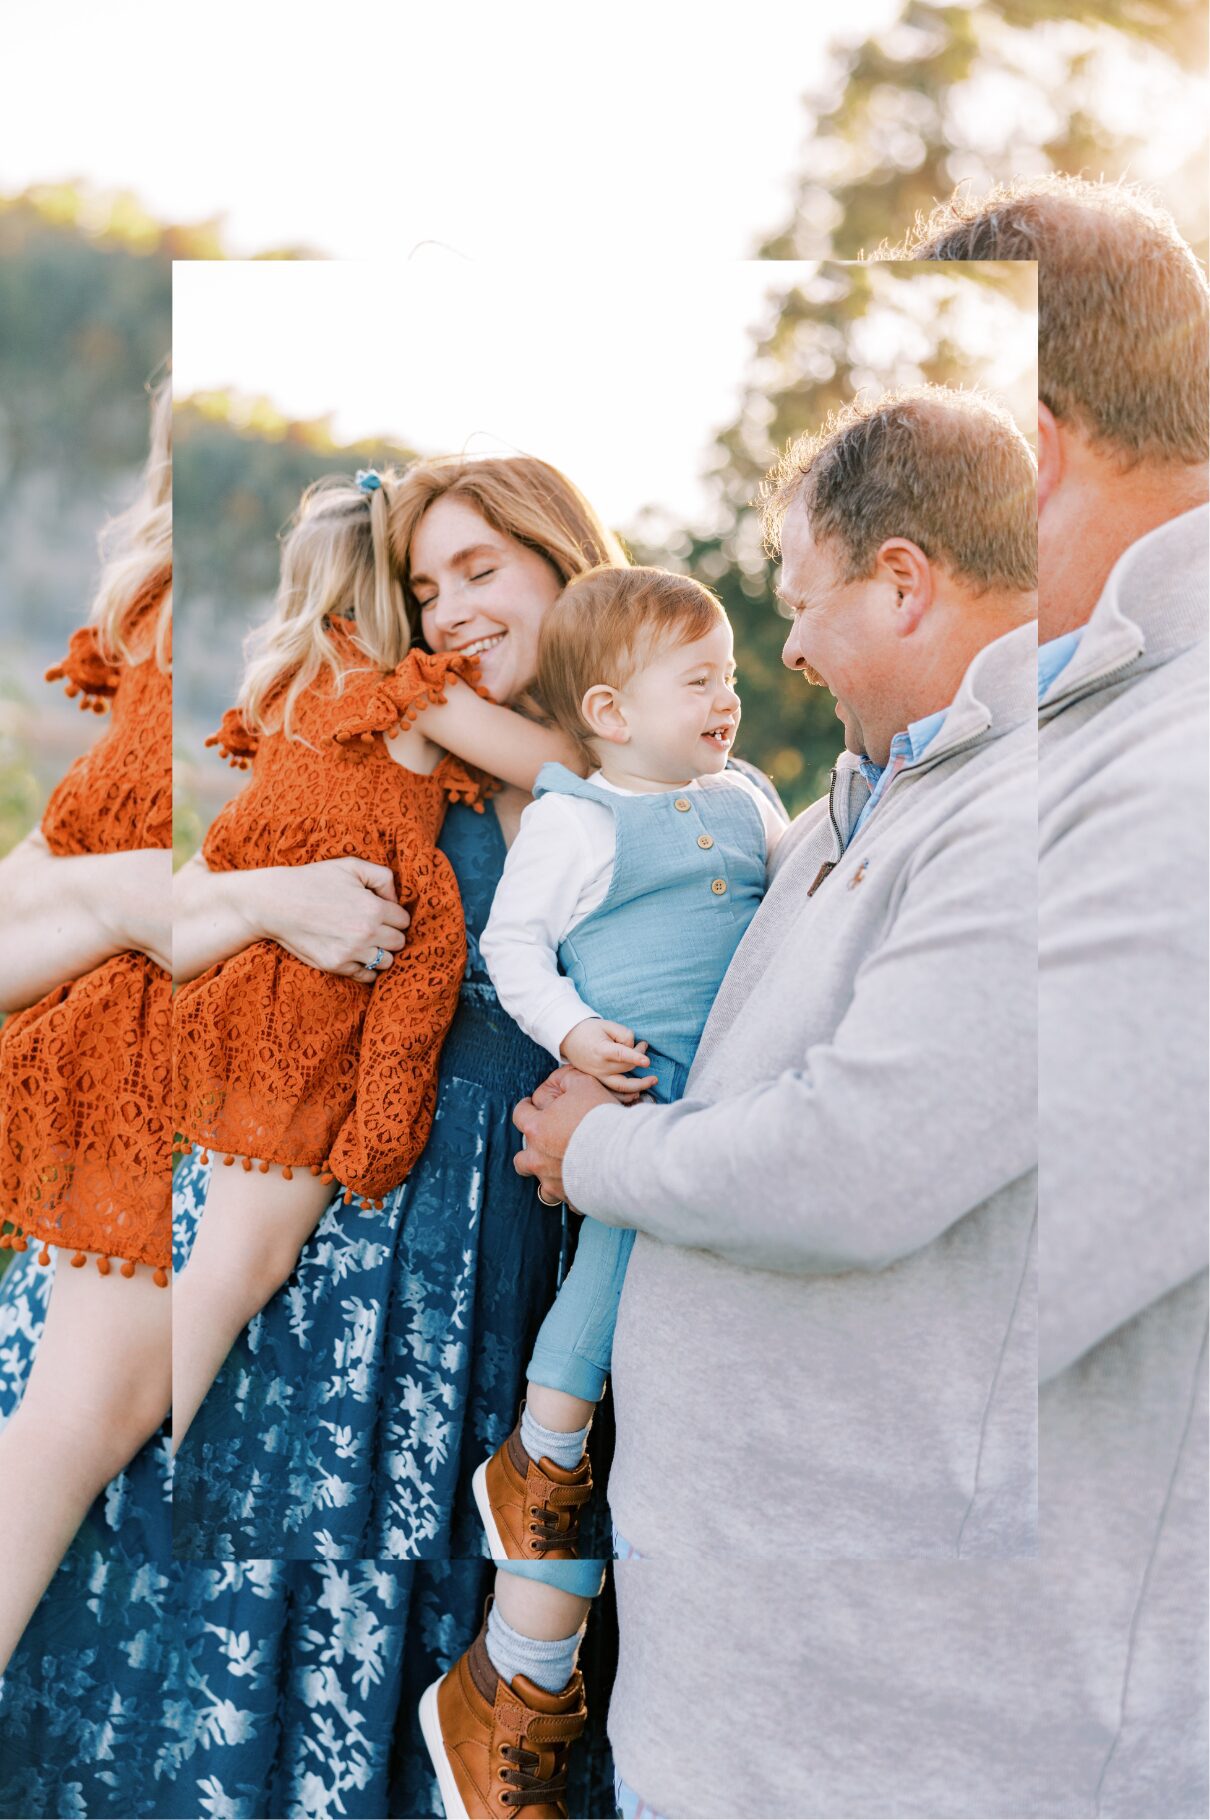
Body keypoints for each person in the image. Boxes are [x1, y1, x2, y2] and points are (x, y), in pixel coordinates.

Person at [600, 179, 1208, 1820]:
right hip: (759, 1729)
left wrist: (593, 1160)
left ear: (1032, 432)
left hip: (944, 1760)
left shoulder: (1173, 753)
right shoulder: (993, 738)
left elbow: (871, 1164)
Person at [516, 385, 1039, 1813]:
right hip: (728, 1660)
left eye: (802, 606)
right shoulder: (833, 814)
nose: (789, 648)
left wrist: (601, 1147)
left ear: (904, 582)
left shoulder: (1025, 813)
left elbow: (854, 1163)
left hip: (858, 1699)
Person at [420, 565, 786, 1817]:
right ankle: (547, 1442)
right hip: (633, 1094)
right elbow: (511, 948)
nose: (729, 699)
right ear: (612, 709)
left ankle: (520, 1662)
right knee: (617, 1256)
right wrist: (575, 1034)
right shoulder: (575, 821)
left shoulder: (745, 799)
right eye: (701, 681)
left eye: (731, 675)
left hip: (726, 1106)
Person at [170, 465, 586, 1455]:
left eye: (475, 573)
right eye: (424, 593)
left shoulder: (317, 703)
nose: (447, 618)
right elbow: (569, 767)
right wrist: (262, 900)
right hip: (324, 1118)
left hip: (498, 1231)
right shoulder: (403, 712)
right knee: (236, 1284)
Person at [0, 377, 172, 1680]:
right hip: (76, 1075)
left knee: (64, 1431)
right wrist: (111, 896)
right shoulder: (155, 633)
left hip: (155, 1095)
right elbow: (62, 866)